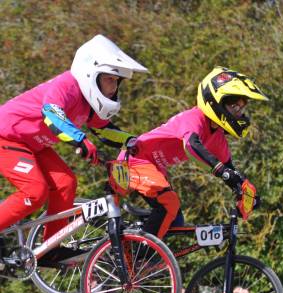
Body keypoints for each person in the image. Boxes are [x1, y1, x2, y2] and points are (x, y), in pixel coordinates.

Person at [0, 34, 147, 263]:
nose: (113, 87)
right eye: (109, 79)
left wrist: (133, 142)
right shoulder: (67, 85)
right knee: (35, 191)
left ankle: (50, 249)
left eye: (117, 81)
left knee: (66, 183)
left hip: (33, 144)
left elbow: (104, 129)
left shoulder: (88, 103)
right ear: (91, 74)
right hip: (7, 136)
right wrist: (80, 139)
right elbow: (51, 113)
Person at [118, 66, 268, 239]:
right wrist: (222, 172)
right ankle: (140, 251)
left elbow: (230, 169)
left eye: (242, 108)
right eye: (235, 107)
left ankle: (139, 237)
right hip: (135, 159)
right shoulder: (194, 117)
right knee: (168, 205)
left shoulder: (217, 137)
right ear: (216, 101)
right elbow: (191, 146)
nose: (240, 113)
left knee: (175, 221)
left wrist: (248, 193)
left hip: (154, 168)